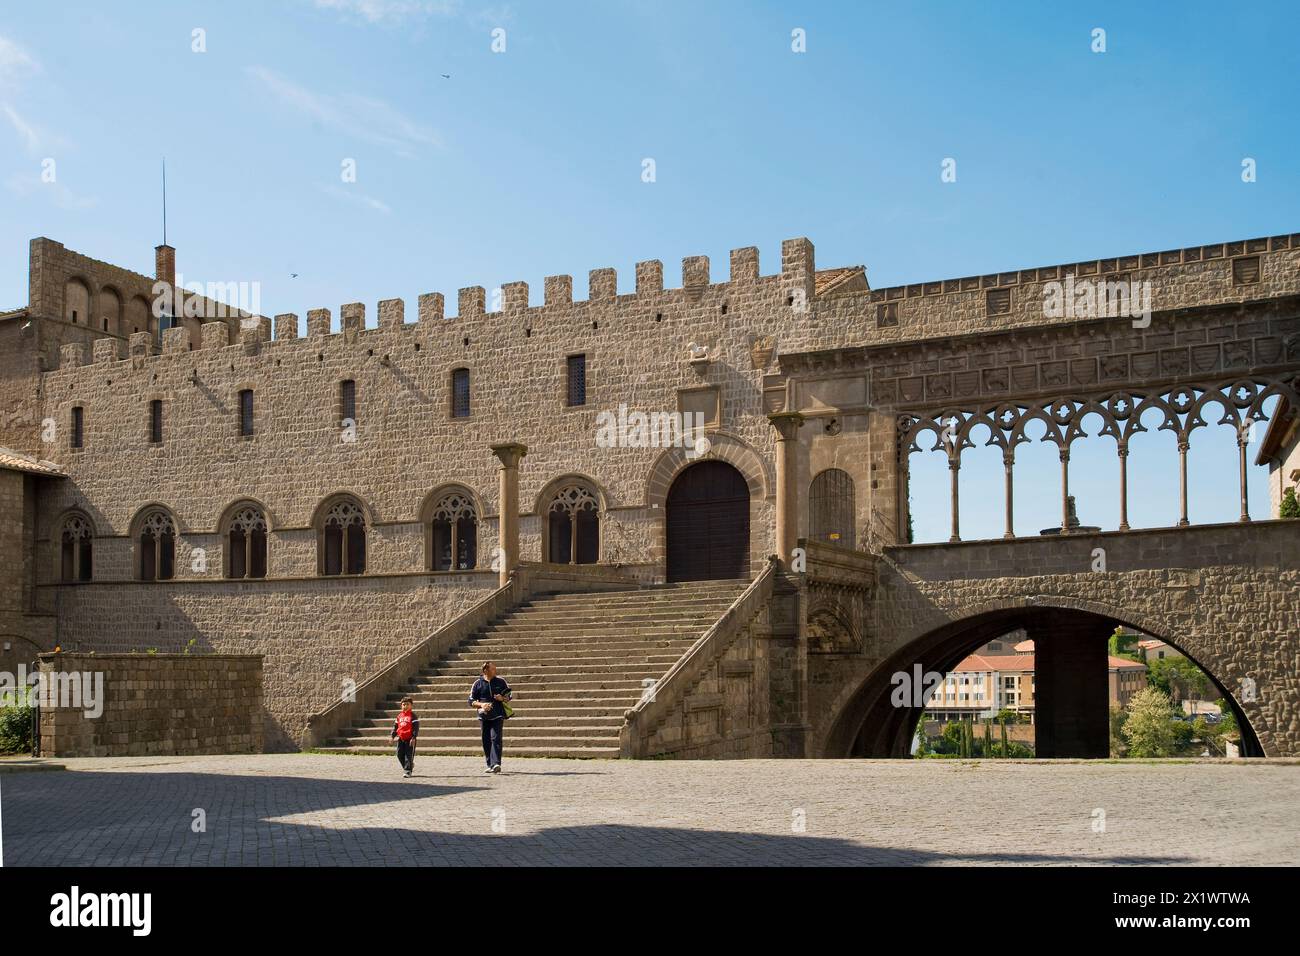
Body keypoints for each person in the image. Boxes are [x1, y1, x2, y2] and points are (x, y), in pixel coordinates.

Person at [468, 661, 511, 773]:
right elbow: (471, 700)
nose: (494, 671)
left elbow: (509, 695)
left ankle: (496, 763)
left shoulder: (501, 681)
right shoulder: (477, 683)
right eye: (492, 669)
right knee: (486, 740)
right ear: (485, 670)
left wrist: (502, 698)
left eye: (494, 668)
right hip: (484, 716)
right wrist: (482, 704)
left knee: (496, 738)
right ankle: (490, 764)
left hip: (498, 714)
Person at [390, 696, 419, 778]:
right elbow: (395, 727)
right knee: (399, 754)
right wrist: (392, 737)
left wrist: (413, 737)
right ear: (401, 706)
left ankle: (407, 770)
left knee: (408, 755)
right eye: (403, 704)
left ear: (411, 706)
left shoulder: (413, 716)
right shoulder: (399, 716)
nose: (405, 706)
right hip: (401, 738)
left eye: (407, 704)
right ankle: (409, 765)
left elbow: (415, 728)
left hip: (410, 739)